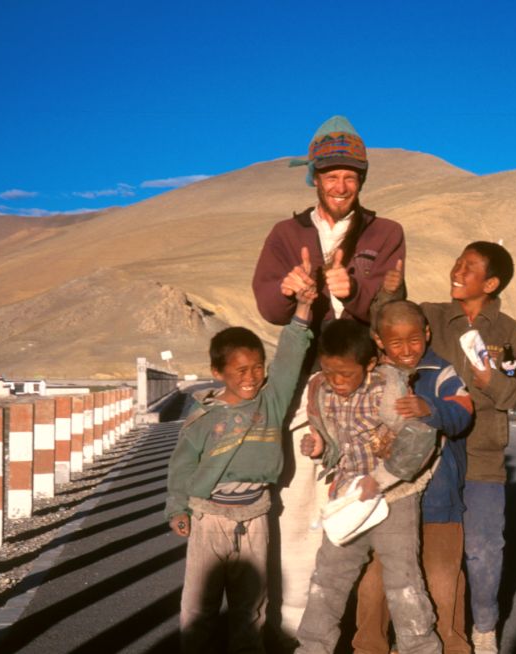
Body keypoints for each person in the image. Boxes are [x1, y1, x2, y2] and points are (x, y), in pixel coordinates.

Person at [250, 115, 407, 640]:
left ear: (362, 181)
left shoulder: (386, 233)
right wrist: (290, 290)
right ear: (313, 178)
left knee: (359, 505)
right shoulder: (284, 233)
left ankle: (360, 637)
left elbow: (391, 309)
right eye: (331, 176)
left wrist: (355, 292)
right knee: (296, 506)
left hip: (363, 391)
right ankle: (294, 631)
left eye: (351, 177)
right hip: (302, 388)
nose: (341, 187)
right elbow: (268, 307)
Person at [378, 241, 516, 654]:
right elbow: (388, 326)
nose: (457, 269)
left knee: (483, 548)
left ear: (490, 283)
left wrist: (496, 385)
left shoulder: (508, 330)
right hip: (427, 455)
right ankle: (419, 633)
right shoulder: (433, 315)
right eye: (458, 261)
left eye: (469, 266)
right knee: (425, 548)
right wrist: (389, 293)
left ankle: (484, 629)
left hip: (482, 456)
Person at [165, 275, 317, 653]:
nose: (252, 377)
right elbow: (182, 466)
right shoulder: (203, 419)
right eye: (240, 370)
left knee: (251, 607)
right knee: (199, 607)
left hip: (256, 518)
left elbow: (290, 357)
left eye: (257, 368)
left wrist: (303, 309)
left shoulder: (272, 403)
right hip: (208, 519)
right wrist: (177, 507)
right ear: (218, 372)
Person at [295, 319, 441, 654]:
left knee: (403, 581)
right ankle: (311, 648)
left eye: (346, 374)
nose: (337, 381)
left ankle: (421, 649)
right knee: (327, 580)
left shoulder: (389, 390)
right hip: (350, 498)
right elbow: (334, 442)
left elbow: (420, 439)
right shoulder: (320, 389)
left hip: (394, 498)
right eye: (329, 371)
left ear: (370, 363)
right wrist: (319, 448)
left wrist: (381, 479)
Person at [353, 301, 474, 654]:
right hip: (386, 502)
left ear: (427, 334)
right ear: (378, 340)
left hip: (439, 499)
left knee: (443, 581)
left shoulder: (442, 372)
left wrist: (431, 408)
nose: (407, 350)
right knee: (376, 581)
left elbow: (463, 412)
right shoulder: (371, 376)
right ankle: (369, 647)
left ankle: (451, 646)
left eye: (414, 340)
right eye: (396, 343)